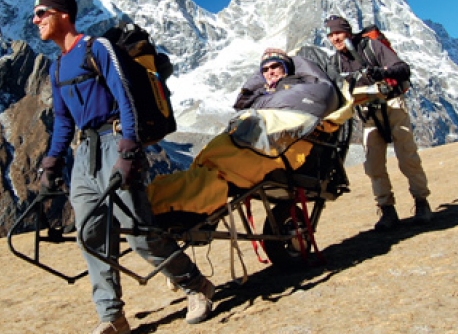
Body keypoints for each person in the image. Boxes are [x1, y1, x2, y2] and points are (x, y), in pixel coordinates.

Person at [34, 0, 214, 334]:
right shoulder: (56, 68)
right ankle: (113, 317)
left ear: (62, 15)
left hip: (115, 141)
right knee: (89, 236)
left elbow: (126, 96)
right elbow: (63, 121)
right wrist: (52, 161)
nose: (35, 20)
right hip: (83, 154)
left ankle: (197, 285)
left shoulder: (96, 48)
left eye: (41, 13)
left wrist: (129, 150)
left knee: (138, 233)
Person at [146, 48, 342, 219]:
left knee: (219, 170)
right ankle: (156, 201)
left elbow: (302, 108)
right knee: (207, 163)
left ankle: (167, 207)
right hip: (258, 143)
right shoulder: (262, 94)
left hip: (282, 148)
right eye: (265, 69)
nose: (270, 72)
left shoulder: (298, 85)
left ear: (286, 68)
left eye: (275, 66)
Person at [324, 15, 432, 231]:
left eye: (339, 32)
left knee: (407, 155)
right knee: (373, 164)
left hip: (391, 103)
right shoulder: (334, 62)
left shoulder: (371, 47)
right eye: (331, 34)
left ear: (348, 32)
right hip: (367, 112)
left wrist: (382, 72)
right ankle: (387, 210)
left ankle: (422, 202)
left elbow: (402, 69)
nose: (335, 37)